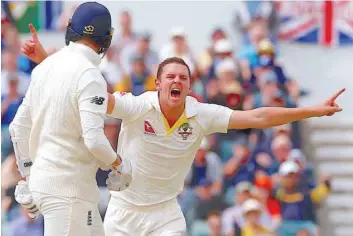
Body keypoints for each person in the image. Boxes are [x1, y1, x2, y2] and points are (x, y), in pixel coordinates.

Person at [22, 24, 344, 235]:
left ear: (190, 87)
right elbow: (87, 92)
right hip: (124, 212)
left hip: (166, 213)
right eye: (171, 76)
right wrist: (46, 60)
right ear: (158, 83)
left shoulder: (201, 114)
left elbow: (258, 117)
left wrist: (314, 110)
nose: (177, 80)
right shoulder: (137, 105)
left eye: (183, 77)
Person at [10, 2, 132, 236]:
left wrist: (27, 175)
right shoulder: (90, 74)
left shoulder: (44, 68)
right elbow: (94, 139)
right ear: (105, 39)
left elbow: (18, 129)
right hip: (69, 192)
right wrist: (119, 165)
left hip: (56, 188)